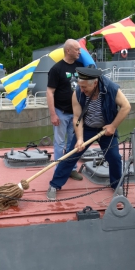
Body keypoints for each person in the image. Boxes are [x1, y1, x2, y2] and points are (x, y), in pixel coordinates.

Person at [47, 67, 131, 200]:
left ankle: (116, 184)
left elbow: (126, 106)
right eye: (80, 86)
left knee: (114, 157)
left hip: (106, 128)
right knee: (71, 154)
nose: (82, 89)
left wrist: (113, 126)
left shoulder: (111, 89)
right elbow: (77, 117)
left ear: (95, 83)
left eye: (85, 87)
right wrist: (79, 138)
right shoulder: (78, 93)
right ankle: (54, 184)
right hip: (87, 128)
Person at [46, 39, 84, 181]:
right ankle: (59, 170)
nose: (79, 52)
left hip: (76, 113)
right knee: (59, 143)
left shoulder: (80, 66)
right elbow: (50, 92)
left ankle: (71, 169)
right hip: (61, 113)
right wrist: (53, 114)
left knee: (73, 143)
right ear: (68, 50)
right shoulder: (56, 69)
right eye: (77, 49)